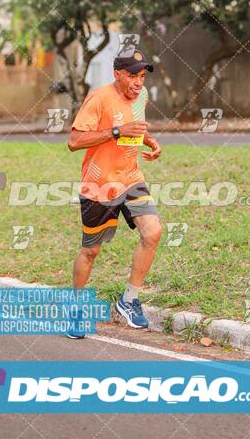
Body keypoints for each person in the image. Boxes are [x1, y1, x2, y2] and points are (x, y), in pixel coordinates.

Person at [67, 47, 162, 338]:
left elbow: (134, 126)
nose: (138, 82)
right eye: (132, 76)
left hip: (131, 178)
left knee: (153, 232)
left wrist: (148, 140)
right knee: (91, 250)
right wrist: (118, 131)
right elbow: (74, 141)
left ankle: (129, 300)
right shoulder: (99, 98)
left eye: (142, 76)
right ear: (117, 74)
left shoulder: (141, 96)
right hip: (99, 184)